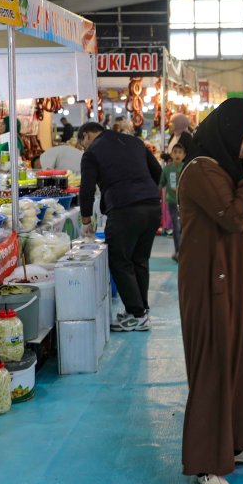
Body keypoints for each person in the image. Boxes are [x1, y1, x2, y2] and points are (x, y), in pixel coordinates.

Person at [176, 98, 243, 484]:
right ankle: (206, 463)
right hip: (211, 283)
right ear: (227, 130)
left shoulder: (225, 168)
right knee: (215, 365)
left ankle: (237, 440)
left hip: (241, 277)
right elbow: (230, 215)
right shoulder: (201, 169)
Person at [78, 121, 163, 331]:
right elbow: (158, 171)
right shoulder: (134, 142)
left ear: (87, 135)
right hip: (152, 206)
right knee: (140, 259)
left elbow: (86, 188)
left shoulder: (92, 152)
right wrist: (146, 191)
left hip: (124, 209)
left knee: (119, 260)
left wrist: (86, 220)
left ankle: (136, 314)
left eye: (82, 144)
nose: (83, 149)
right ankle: (141, 309)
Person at [159, 143, 186, 260]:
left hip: (185, 203)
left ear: (184, 155)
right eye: (175, 152)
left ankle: (184, 251)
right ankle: (178, 251)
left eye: (180, 152)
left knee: (183, 227)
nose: (177, 155)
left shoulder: (186, 167)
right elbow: (161, 183)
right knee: (176, 226)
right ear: (171, 154)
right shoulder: (167, 169)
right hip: (172, 202)